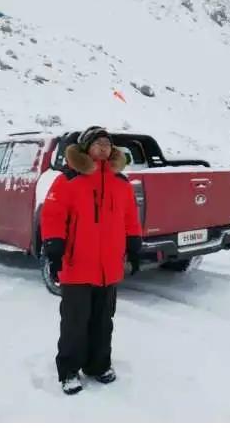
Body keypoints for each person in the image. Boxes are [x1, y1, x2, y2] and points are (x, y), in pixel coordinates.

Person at [42, 126, 143, 395]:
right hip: (77, 265)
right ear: (86, 147)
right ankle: (70, 370)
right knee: (75, 322)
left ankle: (98, 365)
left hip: (109, 268)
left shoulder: (121, 183)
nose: (103, 148)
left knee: (103, 320)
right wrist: (53, 246)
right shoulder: (67, 180)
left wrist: (134, 245)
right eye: (98, 143)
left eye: (107, 144)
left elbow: (130, 218)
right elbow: (52, 216)